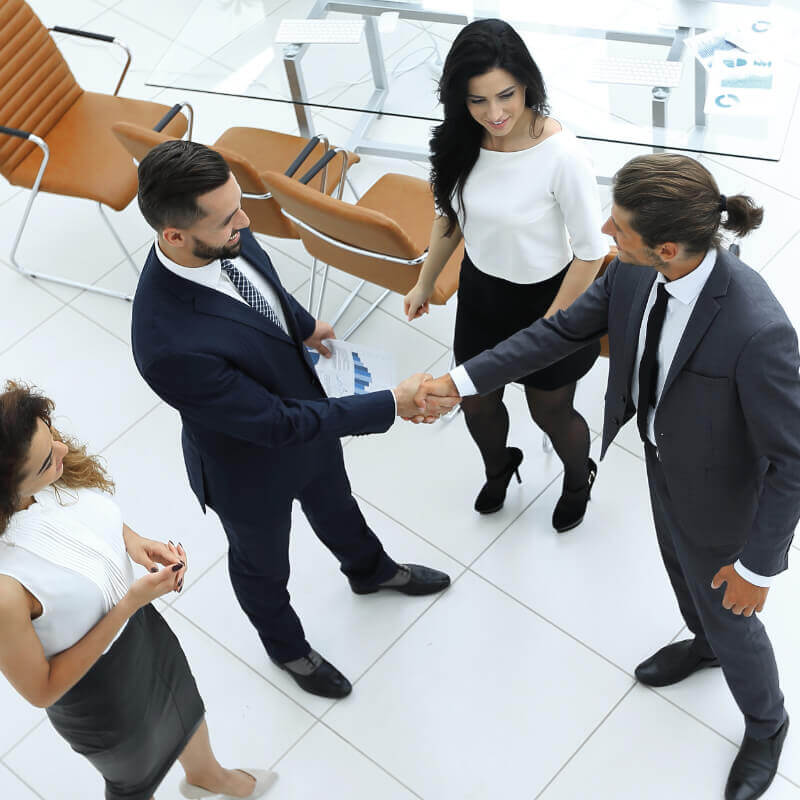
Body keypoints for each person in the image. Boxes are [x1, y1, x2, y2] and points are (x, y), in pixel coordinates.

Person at [417, 153, 800, 800]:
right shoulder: (630, 273)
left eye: (618, 228)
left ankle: (767, 722)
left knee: (730, 606)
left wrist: (759, 568)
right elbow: (559, 332)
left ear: (668, 249)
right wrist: (459, 382)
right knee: (681, 570)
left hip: (722, 491)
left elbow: (793, 458)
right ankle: (703, 642)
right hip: (661, 458)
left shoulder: (757, 330)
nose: (604, 233)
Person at [131, 140, 454, 700]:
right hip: (248, 467)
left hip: (311, 421)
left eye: (239, 205)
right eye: (230, 217)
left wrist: (302, 325)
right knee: (262, 565)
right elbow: (274, 424)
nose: (246, 220)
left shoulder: (224, 229)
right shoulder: (166, 343)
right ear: (174, 236)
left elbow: (263, 287)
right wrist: (390, 404)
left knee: (338, 505)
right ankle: (287, 649)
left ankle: (369, 571)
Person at [0, 381, 276, 800]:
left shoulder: (49, 471)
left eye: (51, 432)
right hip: (98, 692)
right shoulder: (6, 589)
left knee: (185, 704)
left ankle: (206, 776)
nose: (62, 450)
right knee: (133, 778)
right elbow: (42, 690)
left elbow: (82, 520)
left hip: (141, 632)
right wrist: (130, 602)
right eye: (45, 463)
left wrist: (133, 542)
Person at [404, 18, 607, 530]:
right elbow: (451, 216)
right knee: (475, 402)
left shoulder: (562, 155)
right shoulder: (462, 141)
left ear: (527, 85)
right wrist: (426, 281)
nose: (494, 114)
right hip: (483, 293)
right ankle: (500, 468)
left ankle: (578, 476)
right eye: (477, 101)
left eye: (506, 96)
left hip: (551, 301)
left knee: (550, 412)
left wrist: (552, 327)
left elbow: (589, 252)